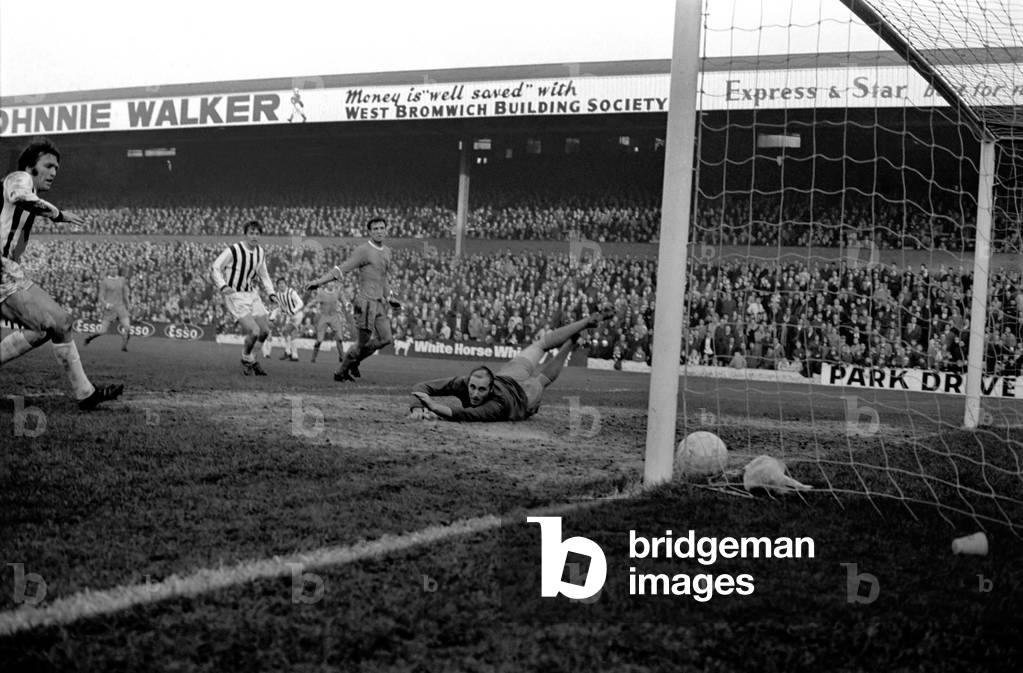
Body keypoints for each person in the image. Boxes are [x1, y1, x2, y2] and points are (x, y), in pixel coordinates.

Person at [0, 139, 123, 409]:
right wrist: (58, 214)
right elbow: (19, 196)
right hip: (3, 271)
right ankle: (86, 394)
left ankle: (86, 393)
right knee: (54, 323)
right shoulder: (19, 178)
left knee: (57, 324)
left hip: (9, 270)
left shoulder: (25, 186)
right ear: (31, 167)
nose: (54, 172)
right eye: (48, 165)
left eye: (57, 167)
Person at [408, 306, 613, 422]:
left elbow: (466, 414)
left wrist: (433, 406)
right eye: (472, 387)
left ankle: (573, 340)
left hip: (521, 395)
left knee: (540, 381)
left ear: (489, 389)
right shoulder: (464, 383)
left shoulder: (496, 405)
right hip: (509, 374)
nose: (475, 394)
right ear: (468, 382)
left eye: (481, 390)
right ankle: (581, 328)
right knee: (540, 345)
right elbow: (422, 387)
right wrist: (417, 406)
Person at [306, 216, 399, 381]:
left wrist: (389, 297)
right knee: (361, 343)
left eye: (381, 228)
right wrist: (319, 282)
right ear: (369, 232)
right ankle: (341, 372)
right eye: (375, 229)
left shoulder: (387, 252)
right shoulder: (363, 250)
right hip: (365, 302)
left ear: (386, 230)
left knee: (386, 339)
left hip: (379, 303)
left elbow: (383, 277)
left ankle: (354, 361)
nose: (379, 231)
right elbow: (341, 269)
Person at [211, 220, 281, 375]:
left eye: (257, 233)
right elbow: (216, 267)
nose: (254, 236)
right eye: (251, 233)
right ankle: (245, 358)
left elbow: (264, 275)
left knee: (265, 331)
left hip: (252, 294)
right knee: (255, 331)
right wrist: (223, 285)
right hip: (235, 296)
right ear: (246, 234)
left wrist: (271, 293)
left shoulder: (260, 252)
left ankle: (252, 359)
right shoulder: (234, 250)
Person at [84, 266, 132, 351]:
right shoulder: (105, 281)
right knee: (103, 331)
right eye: (112, 268)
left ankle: (124, 346)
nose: (113, 270)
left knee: (127, 327)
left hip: (121, 307)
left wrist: (128, 304)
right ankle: (90, 338)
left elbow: (125, 294)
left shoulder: (122, 280)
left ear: (117, 270)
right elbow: (100, 297)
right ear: (109, 270)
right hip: (110, 309)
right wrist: (106, 304)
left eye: (115, 268)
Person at [262, 277, 304, 361]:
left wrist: (293, 311)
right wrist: (272, 317)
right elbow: (279, 308)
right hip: (289, 316)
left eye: (282, 283)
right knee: (286, 332)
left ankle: (291, 354)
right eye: (279, 284)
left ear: (286, 284)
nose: (281, 285)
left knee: (290, 332)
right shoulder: (278, 295)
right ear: (277, 286)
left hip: (297, 315)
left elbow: (300, 303)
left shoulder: (291, 292)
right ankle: (291, 354)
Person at [304, 282, 347, 364]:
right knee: (319, 340)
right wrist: (307, 306)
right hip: (324, 317)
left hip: (334, 317)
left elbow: (343, 299)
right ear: (327, 284)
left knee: (339, 338)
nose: (331, 284)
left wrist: (347, 304)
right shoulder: (322, 293)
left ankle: (342, 357)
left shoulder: (337, 292)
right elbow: (315, 301)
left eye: (333, 283)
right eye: (330, 283)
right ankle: (313, 357)